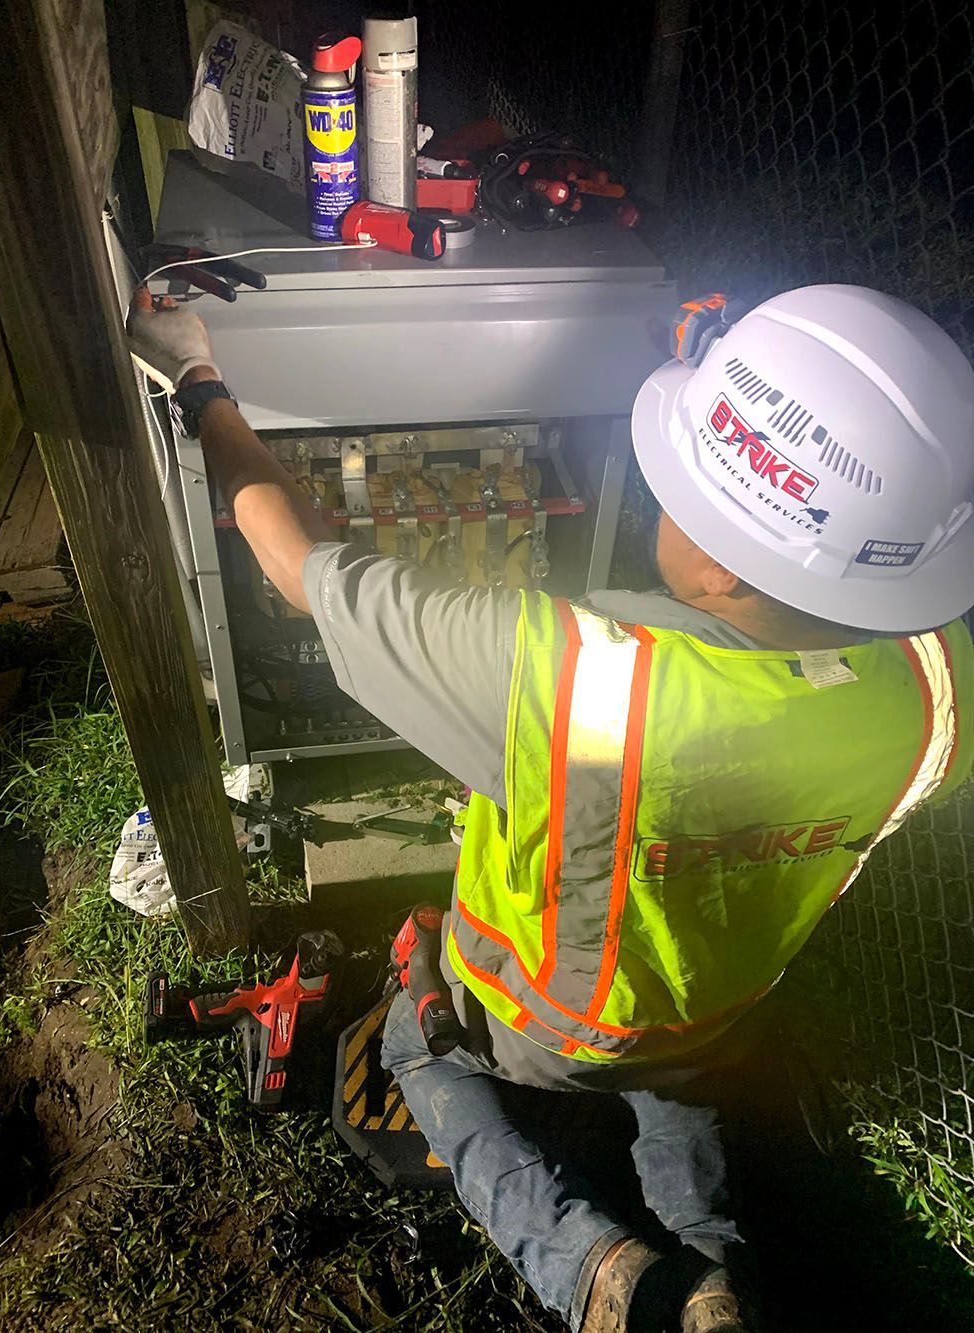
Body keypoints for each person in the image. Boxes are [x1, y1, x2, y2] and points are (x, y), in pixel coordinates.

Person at [128, 282, 974, 1332]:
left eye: (677, 495)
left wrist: (199, 380)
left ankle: (587, 1269)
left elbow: (300, 567)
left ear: (713, 567)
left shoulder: (556, 673)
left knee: (414, 1046)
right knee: (681, 1083)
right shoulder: (939, 684)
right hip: (717, 1003)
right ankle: (714, 1274)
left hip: (538, 1018)